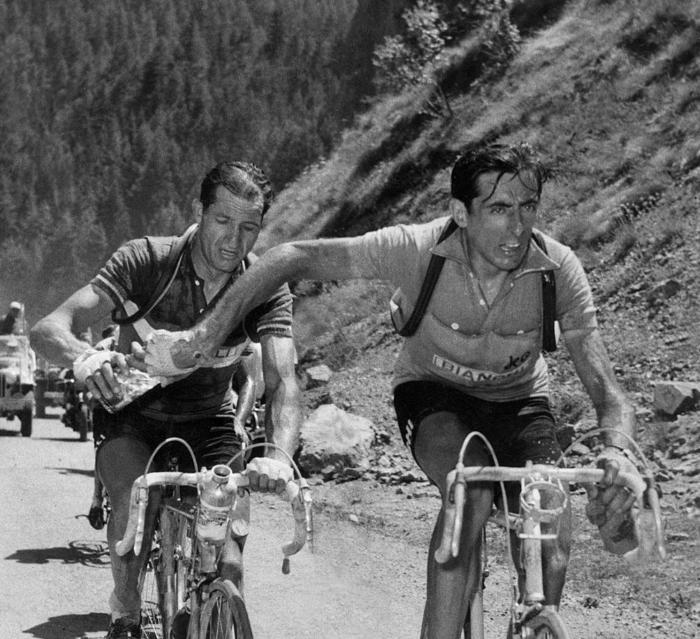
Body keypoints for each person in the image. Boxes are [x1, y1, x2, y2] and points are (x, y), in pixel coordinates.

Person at [141, 143, 644, 639]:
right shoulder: (416, 250)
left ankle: (539, 621)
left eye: (527, 207)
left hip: (520, 403)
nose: (517, 227)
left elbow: (608, 391)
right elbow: (289, 258)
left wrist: (618, 451)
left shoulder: (558, 269)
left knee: (550, 514)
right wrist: (202, 338)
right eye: (498, 209)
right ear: (460, 213)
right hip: (433, 395)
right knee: (468, 492)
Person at [30, 161, 302, 639]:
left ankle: (212, 610)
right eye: (222, 221)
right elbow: (48, 328)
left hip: (211, 421)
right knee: (132, 508)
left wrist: (278, 455)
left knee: (230, 563)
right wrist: (83, 359)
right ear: (199, 211)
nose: (233, 242)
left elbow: (283, 380)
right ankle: (127, 611)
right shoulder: (147, 260)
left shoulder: (264, 284)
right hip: (135, 419)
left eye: (249, 228)